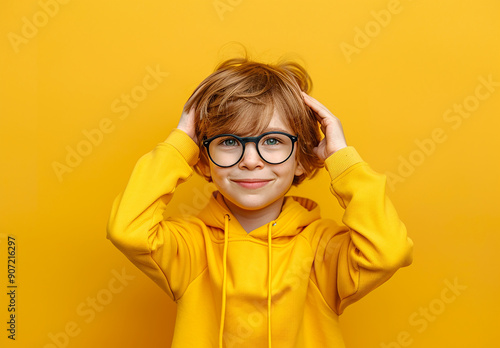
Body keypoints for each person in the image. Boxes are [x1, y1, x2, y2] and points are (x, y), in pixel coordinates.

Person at [106, 56, 414, 348]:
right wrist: (180, 142)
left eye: (273, 141)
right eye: (229, 141)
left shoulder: (323, 251)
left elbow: (387, 252)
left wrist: (341, 159)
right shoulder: (191, 248)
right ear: (202, 160)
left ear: (303, 159)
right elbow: (128, 230)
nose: (251, 161)